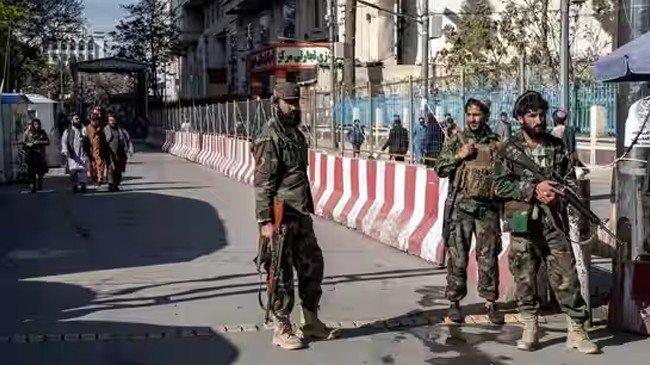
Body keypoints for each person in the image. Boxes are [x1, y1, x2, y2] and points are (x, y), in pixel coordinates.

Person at [493, 90, 598, 353]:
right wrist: (533, 189)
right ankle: (530, 326)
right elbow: (499, 186)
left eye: (542, 114)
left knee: (566, 275)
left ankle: (576, 330)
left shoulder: (556, 146)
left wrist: (558, 195)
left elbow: (570, 181)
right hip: (522, 224)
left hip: (553, 223)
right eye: (533, 115)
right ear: (520, 118)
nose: (539, 119)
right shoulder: (508, 150)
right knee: (525, 277)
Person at [252, 82, 338, 350]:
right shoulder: (270, 136)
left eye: (296, 101)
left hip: (300, 213)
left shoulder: (295, 135)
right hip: (279, 216)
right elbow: (263, 182)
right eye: (288, 102)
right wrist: (265, 221)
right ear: (275, 102)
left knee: (313, 265)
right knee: (280, 272)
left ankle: (311, 321)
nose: (294, 106)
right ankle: (282, 327)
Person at [434, 98, 505, 325]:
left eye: (477, 114)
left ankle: (491, 302)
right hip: (461, 209)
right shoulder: (457, 140)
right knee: (458, 258)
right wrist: (459, 156)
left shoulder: (496, 142)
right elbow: (440, 169)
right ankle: (454, 303)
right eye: (470, 115)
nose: (473, 119)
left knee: (488, 257)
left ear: (486, 115)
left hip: (487, 210)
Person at [61, 113, 90, 193]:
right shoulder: (67, 131)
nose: (78, 120)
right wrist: (65, 151)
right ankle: (75, 185)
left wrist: (84, 138)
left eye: (78, 119)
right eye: (76, 119)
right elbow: (64, 142)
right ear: (72, 121)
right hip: (72, 154)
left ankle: (83, 185)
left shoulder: (83, 129)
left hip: (82, 153)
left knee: (83, 170)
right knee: (73, 171)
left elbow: (88, 140)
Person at [104, 113, 133, 192]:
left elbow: (128, 139)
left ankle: (116, 184)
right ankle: (111, 184)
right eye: (110, 120)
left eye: (113, 120)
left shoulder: (121, 130)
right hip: (110, 152)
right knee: (111, 168)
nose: (112, 122)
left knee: (118, 169)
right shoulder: (106, 130)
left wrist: (130, 149)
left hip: (120, 153)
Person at [21, 119, 50, 193]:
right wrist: (29, 144)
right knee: (32, 171)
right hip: (31, 154)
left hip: (40, 154)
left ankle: (39, 181)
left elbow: (47, 141)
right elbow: (23, 144)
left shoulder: (42, 132)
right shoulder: (27, 133)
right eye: (35, 124)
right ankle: (33, 185)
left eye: (38, 124)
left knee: (41, 170)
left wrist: (38, 142)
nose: (37, 126)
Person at [86, 111, 107, 185]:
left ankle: (99, 178)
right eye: (93, 120)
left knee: (100, 163)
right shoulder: (88, 128)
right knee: (92, 165)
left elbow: (105, 139)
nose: (94, 121)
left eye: (96, 119)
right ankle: (94, 178)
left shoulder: (101, 128)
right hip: (90, 149)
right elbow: (86, 138)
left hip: (100, 150)